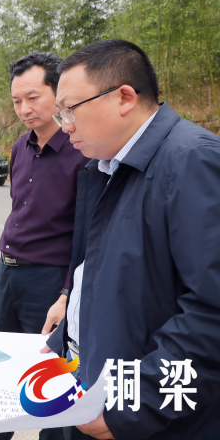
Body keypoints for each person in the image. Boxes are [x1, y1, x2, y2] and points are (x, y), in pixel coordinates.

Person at [48, 39, 220, 439]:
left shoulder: (192, 161)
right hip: (94, 384)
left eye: (70, 110)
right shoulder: (106, 166)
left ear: (124, 97)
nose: (65, 125)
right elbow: (105, 276)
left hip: (152, 421)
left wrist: (134, 406)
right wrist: (65, 340)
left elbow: (211, 314)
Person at [0, 53, 87, 440]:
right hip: (7, 273)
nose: (24, 109)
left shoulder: (82, 152)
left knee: (52, 377)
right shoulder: (19, 146)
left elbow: (86, 235)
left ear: (58, 94)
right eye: (16, 101)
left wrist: (66, 295)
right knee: (7, 366)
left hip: (48, 282)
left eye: (33, 98)